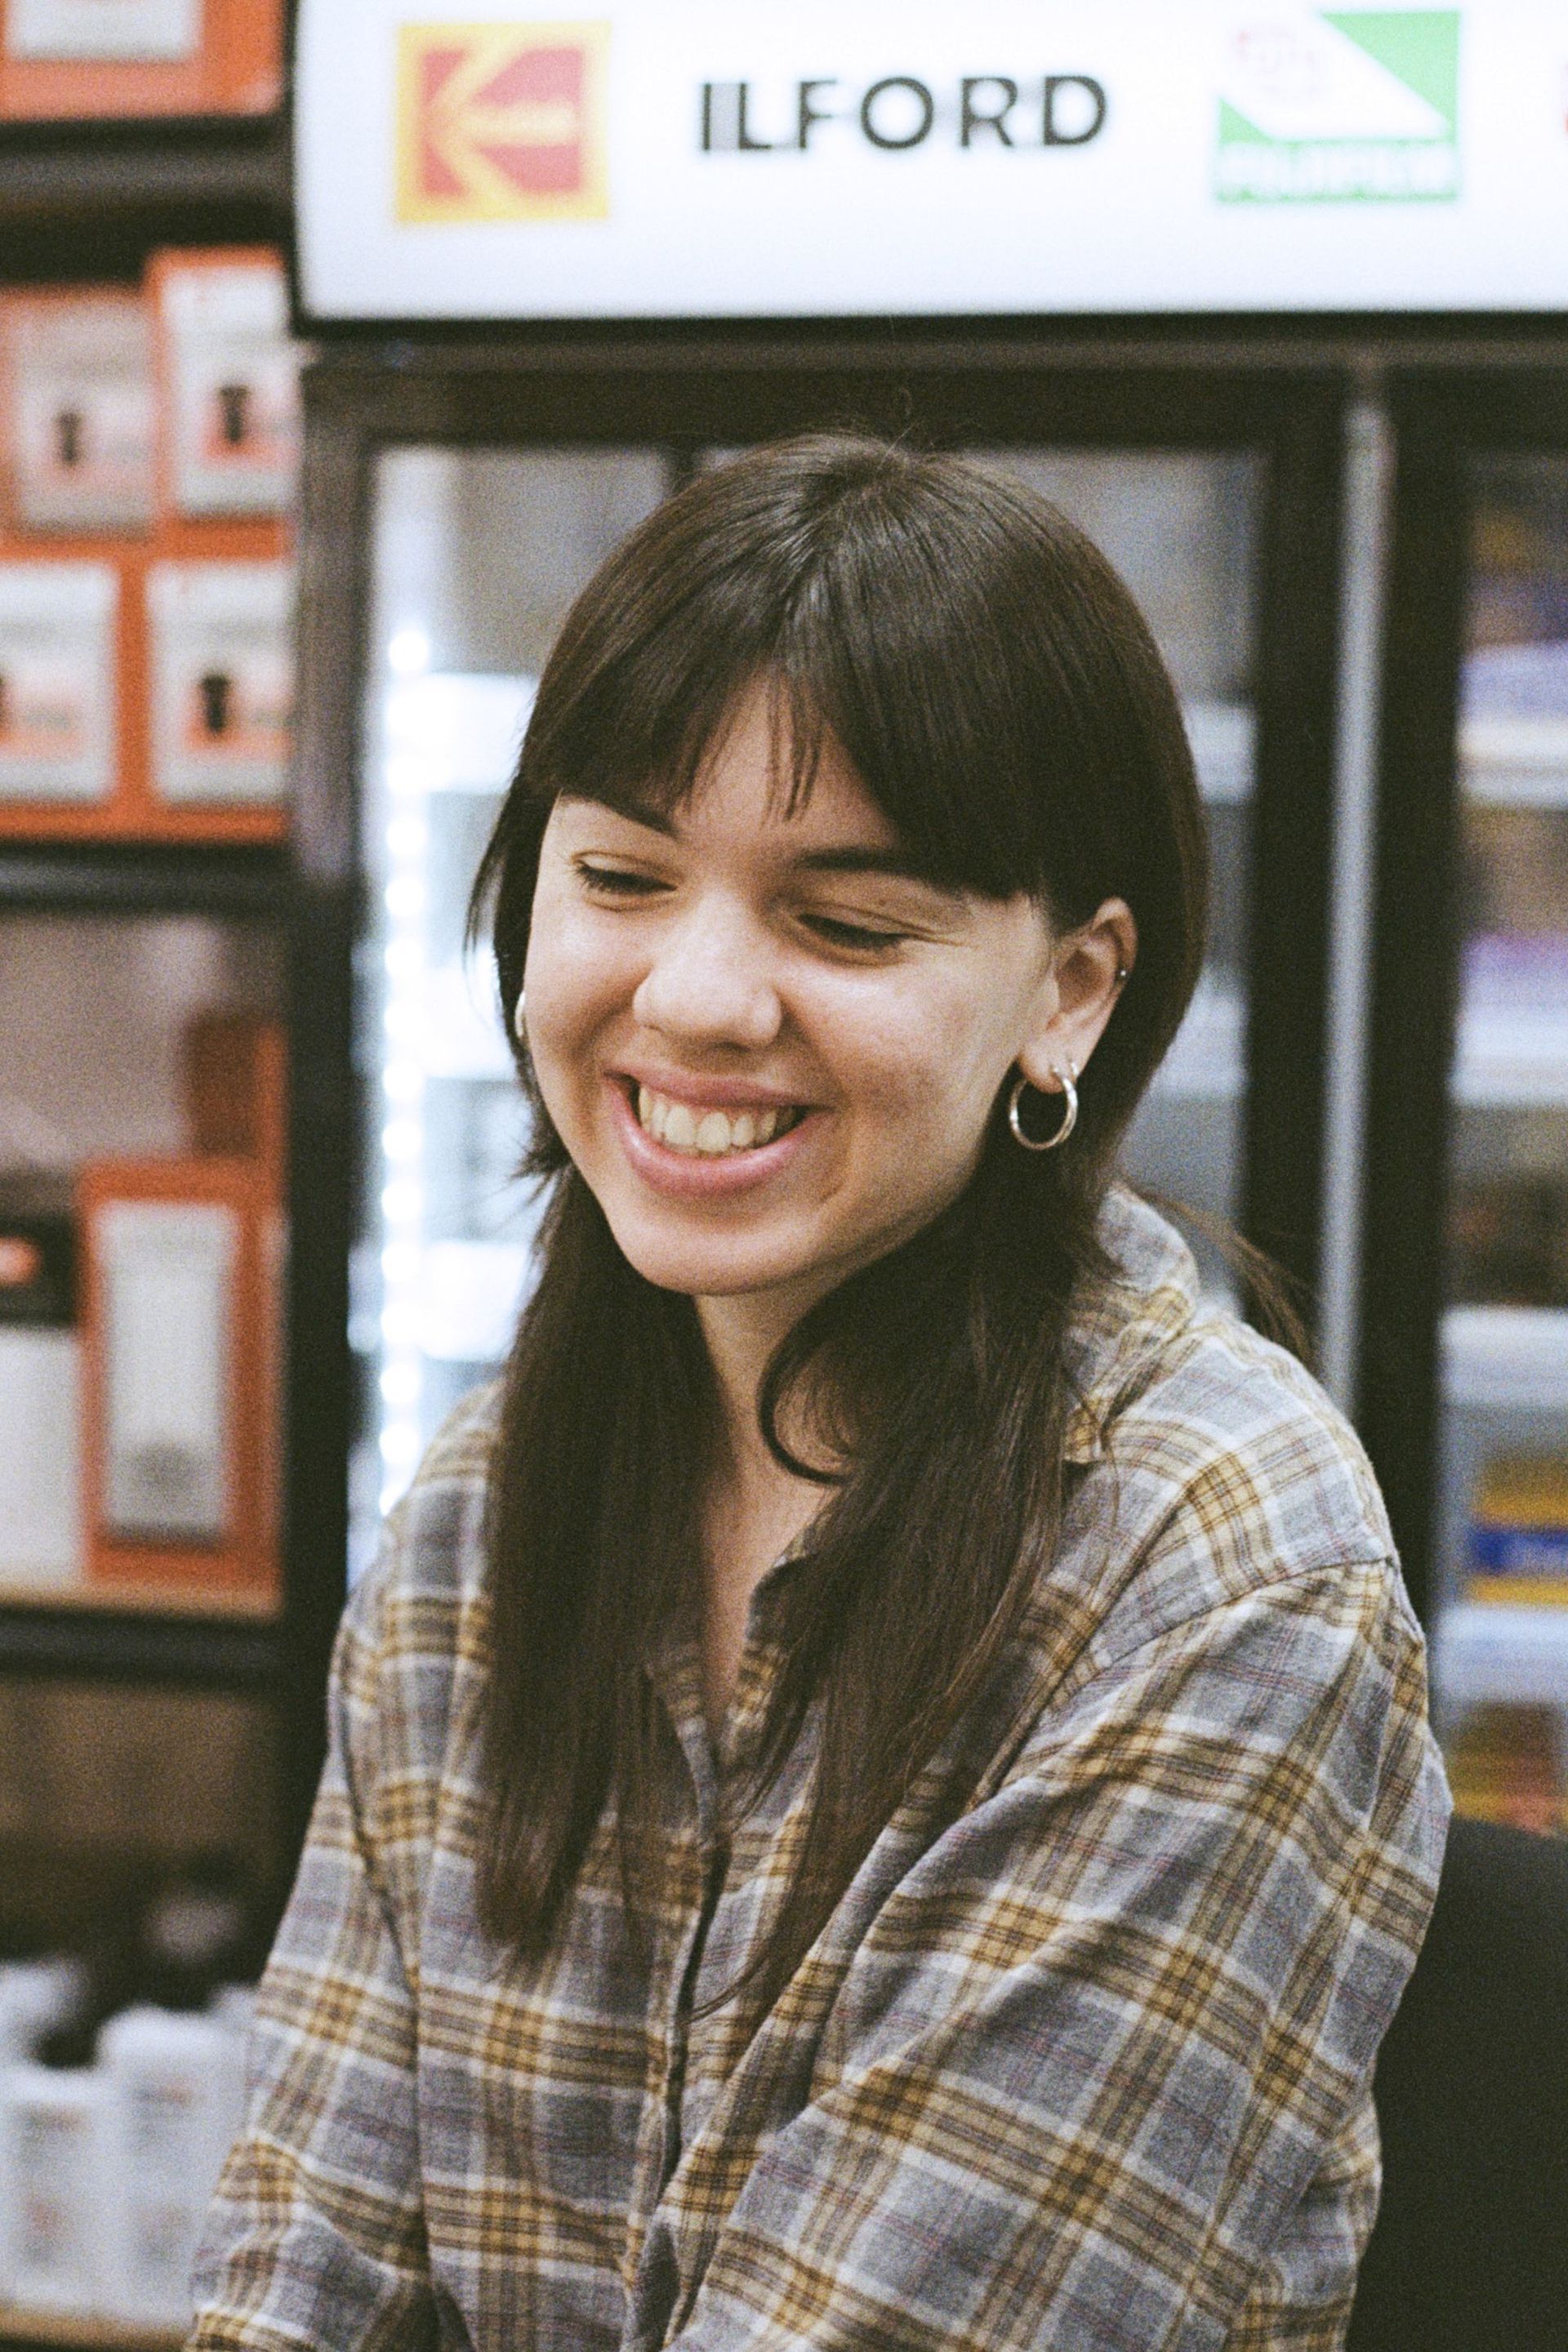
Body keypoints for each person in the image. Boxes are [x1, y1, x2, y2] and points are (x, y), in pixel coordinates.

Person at [191, 436, 1448, 2352]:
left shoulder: (1218, 1573)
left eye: (846, 923)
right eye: (618, 874)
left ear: (1073, 992)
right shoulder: (483, 1507)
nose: (696, 999)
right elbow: (304, 2261)